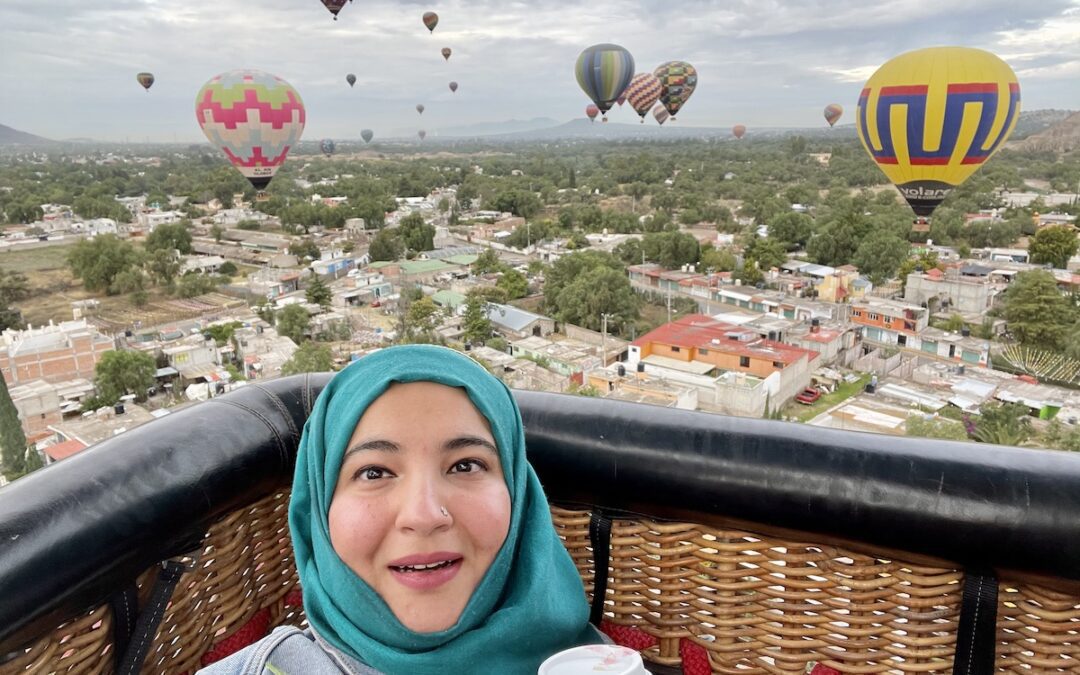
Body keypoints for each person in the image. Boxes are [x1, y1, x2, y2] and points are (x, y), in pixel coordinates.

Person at [199, 345, 603, 675]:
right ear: (319, 513)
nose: (423, 515)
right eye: (374, 472)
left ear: (519, 496)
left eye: (465, 465)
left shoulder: (597, 666)